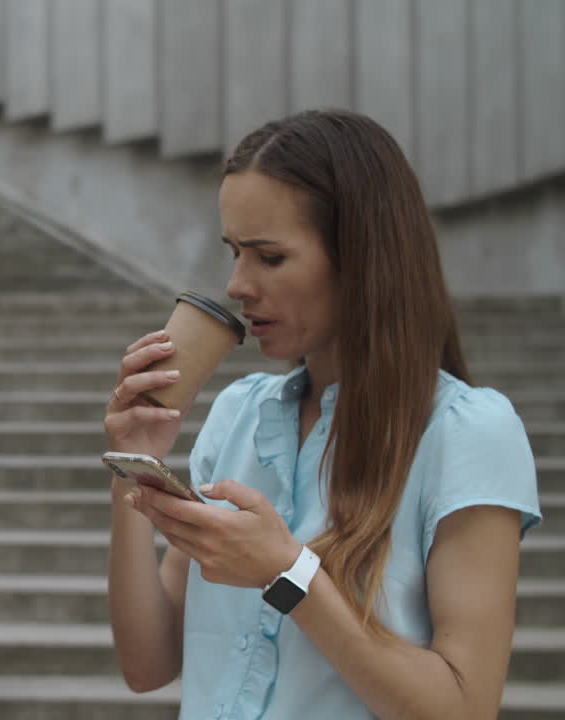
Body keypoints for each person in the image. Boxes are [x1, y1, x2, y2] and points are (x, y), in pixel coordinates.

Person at [104, 109, 541, 719]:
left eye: (269, 258)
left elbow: (465, 709)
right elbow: (146, 665)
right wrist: (136, 466)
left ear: (360, 257)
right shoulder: (238, 415)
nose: (237, 284)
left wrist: (289, 575)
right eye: (234, 252)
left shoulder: (467, 433)